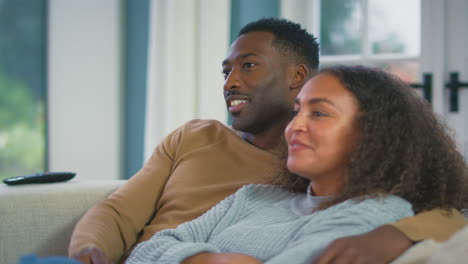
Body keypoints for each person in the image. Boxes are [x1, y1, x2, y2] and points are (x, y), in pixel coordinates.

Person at [69, 18, 467, 264]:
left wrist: (399, 234)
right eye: (225, 71)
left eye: (248, 66)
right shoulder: (209, 151)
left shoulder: (322, 169)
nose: (230, 83)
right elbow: (121, 213)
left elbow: (448, 208)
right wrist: (89, 251)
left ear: (297, 77)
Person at [124, 65, 467, 264]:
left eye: (318, 113)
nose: (294, 127)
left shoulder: (375, 213)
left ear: (372, 134)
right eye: (296, 111)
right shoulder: (251, 198)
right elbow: (143, 252)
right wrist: (213, 260)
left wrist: (182, 257)